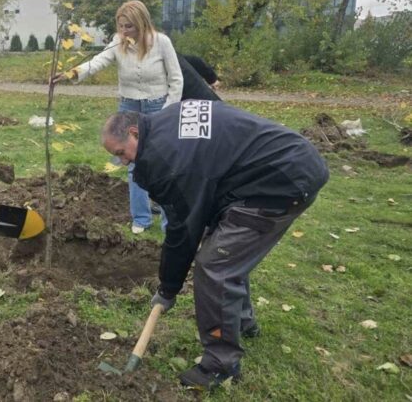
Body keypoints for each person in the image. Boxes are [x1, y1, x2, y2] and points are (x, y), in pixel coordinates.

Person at [101, 102, 329, 391]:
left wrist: (168, 288)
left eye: (122, 153)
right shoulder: (165, 120)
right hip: (282, 163)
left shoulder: (167, 161)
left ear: (134, 132)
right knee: (224, 248)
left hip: (280, 182)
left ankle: (221, 366)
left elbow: (183, 230)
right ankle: (243, 322)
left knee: (216, 265)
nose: (123, 162)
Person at [53, 0, 183, 234]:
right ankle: (141, 218)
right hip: (129, 107)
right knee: (131, 161)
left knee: (162, 163)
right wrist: (73, 73)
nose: (124, 31)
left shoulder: (161, 42)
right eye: (121, 26)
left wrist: (167, 112)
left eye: (129, 26)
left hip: (157, 107)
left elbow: (176, 80)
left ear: (142, 24)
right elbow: (98, 62)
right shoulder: (117, 42)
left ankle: (169, 222)